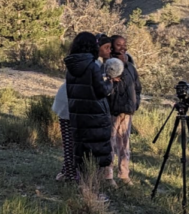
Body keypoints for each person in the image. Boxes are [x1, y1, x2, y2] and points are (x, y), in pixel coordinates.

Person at [64, 32, 114, 179]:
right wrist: (109, 84)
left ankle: (84, 190)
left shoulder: (70, 68)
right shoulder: (93, 67)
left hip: (77, 116)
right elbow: (100, 91)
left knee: (82, 153)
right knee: (95, 156)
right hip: (95, 117)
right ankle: (93, 193)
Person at [107, 35, 141, 185]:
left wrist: (135, 103)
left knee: (125, 144)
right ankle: (108, 175)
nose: (122, 47)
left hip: (127, 110)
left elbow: (137, 88)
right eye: (118, 45)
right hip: (113, 110)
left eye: (124, 44)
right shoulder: (109, 65)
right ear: (112, 47)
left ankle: (124, 175)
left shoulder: (131, 67)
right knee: (110, 143)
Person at [53, 82, 77, 181]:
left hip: (73, 104)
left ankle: (67, 171)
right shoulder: (92, 68)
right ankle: (69, 174)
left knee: (73, 143)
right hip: (68, 105)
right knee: (70, 143)